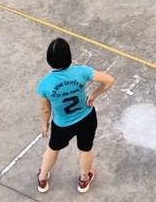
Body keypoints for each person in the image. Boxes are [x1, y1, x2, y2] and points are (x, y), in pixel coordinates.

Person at [36, 38, 114, 194]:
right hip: (86, 118)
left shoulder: (45, 84)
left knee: (53, 149)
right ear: (69, 57)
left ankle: (42, 179)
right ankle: (84, 179)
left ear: (49, 60)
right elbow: (109, 80)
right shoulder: (81, 71)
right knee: (85, 149)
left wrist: (45, 124)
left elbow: (45, 109)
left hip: (62, 124)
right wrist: (94, 95)